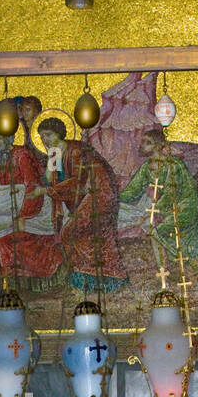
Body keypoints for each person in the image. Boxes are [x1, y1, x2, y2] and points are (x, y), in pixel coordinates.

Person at [30, 117, 129, 293]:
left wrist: (47, 191)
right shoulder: (55, 153)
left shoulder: (75, 151)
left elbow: (77, 181)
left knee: (71, 232)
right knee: (87, 237)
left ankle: (107, 278)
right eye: (42, 136)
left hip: (99, 192)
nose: (45, 140)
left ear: (59, 134)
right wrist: (50, 167)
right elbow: (48, 180)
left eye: (49, 135)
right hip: (83, 196)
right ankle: (88, 281)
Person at [0, 129, 62, 288]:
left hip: (35, 206)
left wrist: (24, 214)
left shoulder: (21, 155)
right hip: (11, 208)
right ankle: (8, 281)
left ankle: (15, 282)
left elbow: (32, 186)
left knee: (8, 234)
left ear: (8, 139)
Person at [119, 126, 198, 272]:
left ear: (159, 146)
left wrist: (152, 212)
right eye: (142, 141)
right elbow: (132, 191)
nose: (141, 145)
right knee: (154, 230)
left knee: (157, 231)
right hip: (169, 208)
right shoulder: (147, 167)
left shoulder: (174, 165)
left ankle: (190, 262)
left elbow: (170, 193)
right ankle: (164, 271)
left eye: (147, 142)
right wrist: (113, 197)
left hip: (188, 206)